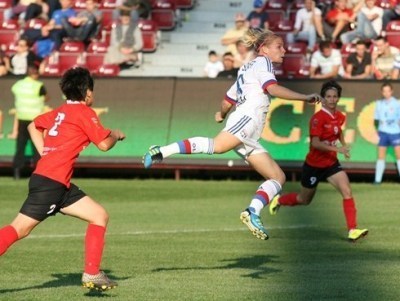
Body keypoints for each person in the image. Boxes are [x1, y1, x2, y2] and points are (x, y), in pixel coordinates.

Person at [142, 28, 323, 241]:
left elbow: (228, 99)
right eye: (279, 47)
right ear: (264, 49)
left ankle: (252, 211)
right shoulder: (263, 64)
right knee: (217, 146)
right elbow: (272, 89)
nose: (284, 50)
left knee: (278, 177)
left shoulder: (247, 67)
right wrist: (305, 97)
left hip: (249, 131)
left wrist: (221, 113)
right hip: (246, 121)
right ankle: (162, 151)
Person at [0, 67, 125, 290]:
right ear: (87, 92)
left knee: (99, 215)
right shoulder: (85, 113)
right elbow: (105, 144)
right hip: (51, 183)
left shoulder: (60, 111)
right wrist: (115, 134)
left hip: (58, 182)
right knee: (19, 229)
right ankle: (92, 273)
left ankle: (92, 273)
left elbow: (32, 125)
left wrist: (45, 152)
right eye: (91, 91)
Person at [269, 80, 368, 242]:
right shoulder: (318, 118)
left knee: (347, 191)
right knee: (304, 200)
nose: (332, 99)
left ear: (338, 98)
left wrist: (344, 145)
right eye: (328, 96)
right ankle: (279, 199)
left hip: (331, 164)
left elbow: (339, 131)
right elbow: (315, 143)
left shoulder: (339, 116)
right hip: (313, 166)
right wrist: (338, 149)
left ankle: (352, 230)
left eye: (335, 96)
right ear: (323, 98)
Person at [11, 64, 48, 180]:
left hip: (22, 118)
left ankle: (16, 171)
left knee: (20, 146)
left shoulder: (18, 85)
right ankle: (39, 173)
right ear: (35, 74)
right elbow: (46, 97)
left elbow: (14, 92)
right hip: (35, 120)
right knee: (37, 147)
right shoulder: (39, 86)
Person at [373, 82, 400, 184]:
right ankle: (377, 180)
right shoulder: (379, 104)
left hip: (395, 133)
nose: (386, 93)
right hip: (383, 133)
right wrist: (377, 130)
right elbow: (376, 119)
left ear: (391, 91)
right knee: (380, 156)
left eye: (388, 91)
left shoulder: (397, 103)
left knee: (399, 155)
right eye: (384, 91)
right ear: (382, 92)